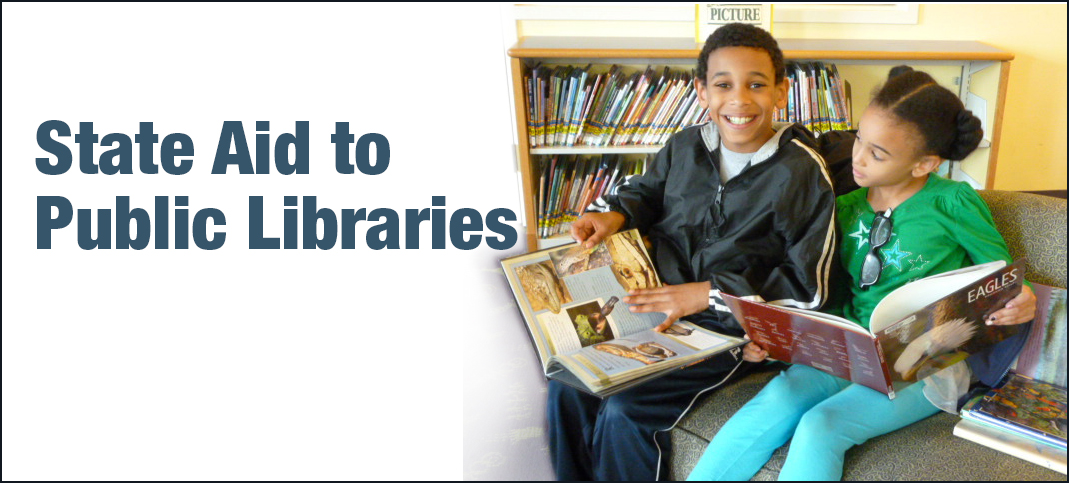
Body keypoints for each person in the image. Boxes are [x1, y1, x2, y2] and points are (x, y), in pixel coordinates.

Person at [685, 66, 1038, 482]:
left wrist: (1022, 298)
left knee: (822, 426)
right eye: (859, 141)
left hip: (926, 362)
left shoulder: (952, 202)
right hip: (849, 348)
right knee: (776, 400)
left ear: (925, 163)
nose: (857, 158)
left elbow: (1002, 276)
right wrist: (773, 337)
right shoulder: (842, 205)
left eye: (878, 153)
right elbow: (818, 288)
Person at [546, 23, 840, 481]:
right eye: (723, 85)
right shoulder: (686, 144)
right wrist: (611, 215)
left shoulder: (802, 171)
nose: (739, 100)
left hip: (729, 331)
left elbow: (810, 290)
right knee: (567, 385)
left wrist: (707, 295)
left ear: (781, 92)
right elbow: (642, 192)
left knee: (626, 410)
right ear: (701, 91)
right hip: (654, 312)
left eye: (756, 85)